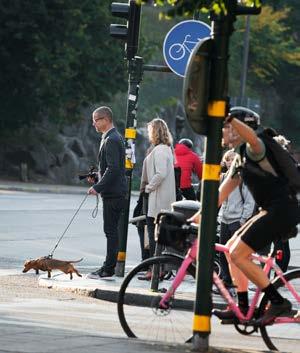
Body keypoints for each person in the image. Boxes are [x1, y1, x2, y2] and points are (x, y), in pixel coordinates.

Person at [191, 106, 299, 324]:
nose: (221, 131)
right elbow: (220, 195)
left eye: (225, 127)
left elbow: (253, 136)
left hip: (283, 209)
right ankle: (242, 306)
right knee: (231, 250)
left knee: (239, 253)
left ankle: (278, 302)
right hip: (272, 210)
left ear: (237, 129)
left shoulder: (255, 148)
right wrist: (198, 216)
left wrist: (228, 115)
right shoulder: (239, 159)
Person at [87, 106, 127, 278]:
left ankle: (108, 269)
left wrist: (98, 187)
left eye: (96, 119)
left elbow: (114, 169)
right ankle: (109, 267)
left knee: (110, 232)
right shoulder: (111, 137)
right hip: (115, 192)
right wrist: (97, 177)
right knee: (111, 231)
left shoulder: (111, 139)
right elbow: (110, 168)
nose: (93, 123)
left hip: (114, 194)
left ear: (106, 119)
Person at [217, 149, 256, 293]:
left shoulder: (242, 178)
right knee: (222, 252)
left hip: (236, 220)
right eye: (227, 159)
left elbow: (249, 201)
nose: (230, 162)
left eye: (233, 159)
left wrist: (242, 219)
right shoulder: (223, 178)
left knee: (236, 254)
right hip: (224, 219)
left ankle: (239, 284)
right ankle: (226, 280)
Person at [140, 118, 176, 260]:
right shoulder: (166, 149)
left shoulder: (160, 150)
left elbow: (160, 173)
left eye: (150, 130)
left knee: (153, 234)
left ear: (155, 131)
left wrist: (148, 188)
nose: (149, 134)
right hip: (161, 198)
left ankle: (154, 268)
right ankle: (157, 268)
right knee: (157, 235)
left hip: (157, 198)